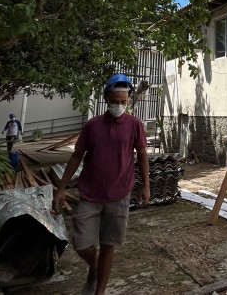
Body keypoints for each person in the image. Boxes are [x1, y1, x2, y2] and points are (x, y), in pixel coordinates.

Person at [53, 74, 150, 295]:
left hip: (119, 195)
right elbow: (76, 156)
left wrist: (146, 186)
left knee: (109, 244)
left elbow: (142, 154)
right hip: (90, 194)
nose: (119, 106)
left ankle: (99, 291)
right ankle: (95, 268)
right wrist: (61, 188)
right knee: (82, 245)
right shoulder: (92, 125)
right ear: (106, 98)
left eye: (123, 102)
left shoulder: (134, 124)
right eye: (115, 101)